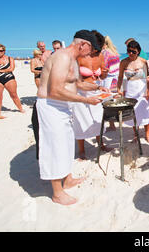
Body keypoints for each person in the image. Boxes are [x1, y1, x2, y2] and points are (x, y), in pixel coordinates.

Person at [36, 29, 104, 205]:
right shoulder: (62, 57)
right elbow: (55, 90)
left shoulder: (72, 60)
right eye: (91, 50)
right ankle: (57, 192)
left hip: (64, 107)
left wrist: (97, 88)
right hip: (51, 107)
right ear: (83, 44)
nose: (91, 54)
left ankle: (67, 179)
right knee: (55, 147)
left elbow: (78, 83)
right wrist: (86, 101)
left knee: (66, 145)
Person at [72, 30, 111, 160]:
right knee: (81, 120)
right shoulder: (78, 56)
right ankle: (82, 151)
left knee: (98, 119)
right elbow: (76, 81)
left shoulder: (100, 56)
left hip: (95, 90)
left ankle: (101, 144)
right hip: (81, 91)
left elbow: (103, 76)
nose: (96, 51)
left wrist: (105, 73)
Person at [117, 40, 149, 143]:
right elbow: (120, 77)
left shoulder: (143, 61)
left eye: (133, 51)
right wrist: (118, 89)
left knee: (145, 110)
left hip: (142, 88)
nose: (130, 53)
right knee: (133, 113)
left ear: (138, 51)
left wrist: (148, 90)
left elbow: (148, 77)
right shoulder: (123, 62)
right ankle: (136, 134)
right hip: (130, 89)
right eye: (129, 51)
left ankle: (147, 134)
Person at [0, 44, 25, 113]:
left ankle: (20, 108)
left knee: (14, 95)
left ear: (4, 51)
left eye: (1, 51)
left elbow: (11, 69)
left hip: (9, 78)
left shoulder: (10, 58)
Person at [100, 35, 121, 131]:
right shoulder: (115, 52)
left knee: (107, 102)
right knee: (115, 101)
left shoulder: (105, 53)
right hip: (115, 79)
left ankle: (112, 125)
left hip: (108, 79)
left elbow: (104, 68)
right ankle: (118, 122)